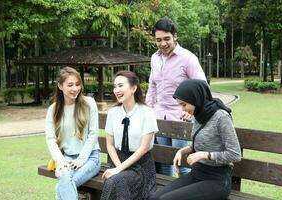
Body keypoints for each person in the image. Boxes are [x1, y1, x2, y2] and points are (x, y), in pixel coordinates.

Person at [150, 79, 241, 200]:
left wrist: (204, 155)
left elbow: (235, 154)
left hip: (217, 179)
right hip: (198, 173)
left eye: (184, 104)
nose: (182, 109)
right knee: (155, 197)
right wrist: (182, 151)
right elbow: (201, 144)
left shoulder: (221, 117)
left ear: (196, 99)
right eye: (180, 105)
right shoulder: (199, 114)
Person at [146, 17, 207, 176]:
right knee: (165, 161)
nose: (163, 43)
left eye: (167, 39)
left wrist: (193, 111)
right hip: (159, 116)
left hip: (180, 118)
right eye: (158, 40)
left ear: (175, 36)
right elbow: (152, 84)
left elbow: (202, 86)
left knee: (182, 164)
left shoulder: (188, 58)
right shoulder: (154, 58)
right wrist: (148, 108)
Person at [101, 70, 158, 200]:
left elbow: (144, 148)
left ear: (133, 88)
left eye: (121, 85)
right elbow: (109, 144)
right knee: (115, 180)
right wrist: (118, 167)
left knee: (115, 181)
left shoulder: (147, 112)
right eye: (115, 86)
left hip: (141, 164)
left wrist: (118, 169)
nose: (116, 90)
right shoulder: (113, 113)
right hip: (118, 160)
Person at [45, 67, 101, 200]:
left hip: (90, 158)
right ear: (60, 86)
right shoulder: (53, 109)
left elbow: (94, 133)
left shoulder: (89, 103)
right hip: (67, 158)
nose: (75, 88)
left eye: (77, 84)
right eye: (70, 85)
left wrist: (81, 160)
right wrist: (61, 162)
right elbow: (50, 138)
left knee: (62, 186)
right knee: (65, 181)